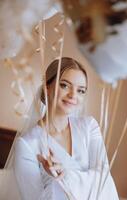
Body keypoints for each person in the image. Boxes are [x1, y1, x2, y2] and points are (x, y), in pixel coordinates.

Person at [13, 57, 119, 200]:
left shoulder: (89, 127)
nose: (73, 95)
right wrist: (56, 182)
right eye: (65, 85)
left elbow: (104, 180)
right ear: (47, 86)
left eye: (81, 90)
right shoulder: (27, 145)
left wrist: (65, 176)